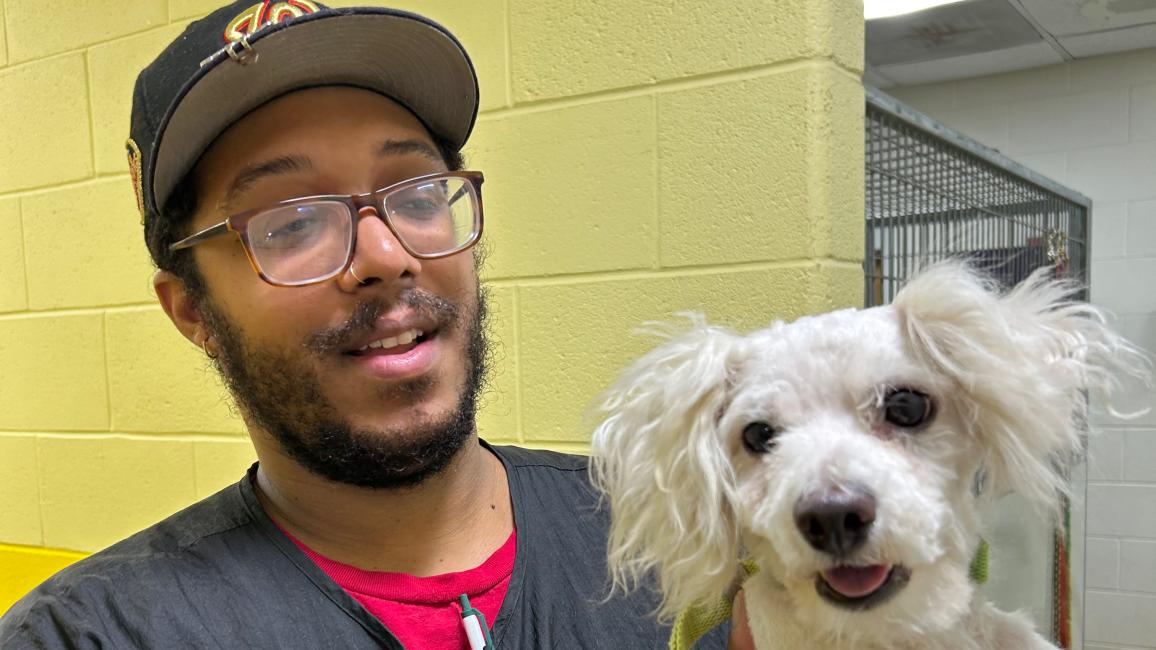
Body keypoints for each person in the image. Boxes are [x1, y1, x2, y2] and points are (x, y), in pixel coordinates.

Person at [0, 2, 748, 648]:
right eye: (292, 222)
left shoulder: (678, 535)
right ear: (192, 310)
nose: (386, 256)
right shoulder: (95, 633)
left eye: (417, 193)